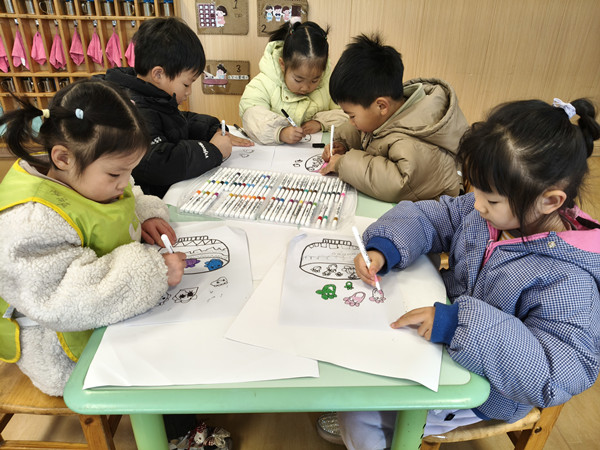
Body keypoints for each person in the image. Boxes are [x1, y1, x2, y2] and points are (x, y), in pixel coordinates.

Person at [332, 98, 600, 449]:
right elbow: (433, 216)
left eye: (491, 199)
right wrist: (386, 246)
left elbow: (557, 373)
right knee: (357, 371)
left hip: (489, 390)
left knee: (359, 412)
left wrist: (458, 324)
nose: (476, 204)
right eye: (475, 189)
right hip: (441, 337)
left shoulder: (571, 280)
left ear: (550, 201)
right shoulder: (495, 212)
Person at [0, 79, 187, 397]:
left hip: (109, 309)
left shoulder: (92, 173)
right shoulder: (30, 220)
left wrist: (145, 214)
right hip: (60, 349)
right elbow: (64, 300)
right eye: (116, 174)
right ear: (63, 158)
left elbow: (127, 196)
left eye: (129, 170)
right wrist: (155, 271)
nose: (124, 182)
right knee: (164, 369)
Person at [102, 17, 252, 198]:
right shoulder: (134, 110)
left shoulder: (154, 96)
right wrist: (213, 151)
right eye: (186, 84)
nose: (189, 92)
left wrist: (211, 129)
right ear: (158, 74)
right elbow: (158, 162)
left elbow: (177, 121)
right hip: (152, 200)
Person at [320, 34, 469, 203]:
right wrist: (343, 143)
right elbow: (371, 136)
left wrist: (343, 163)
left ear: (381, 106)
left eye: (352, 116)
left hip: (438, 210)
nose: (351, 122)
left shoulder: (414, 140)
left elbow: (398, 183)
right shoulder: (392, 109)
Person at [239, 21, 347, 145]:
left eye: (315, 80)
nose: (305, 87)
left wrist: (320, 123)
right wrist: (280, 132)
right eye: (298, 80)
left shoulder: (329, 85)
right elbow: (250, 115)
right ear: (283, 65)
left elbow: (348, 113)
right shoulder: (263, 83)